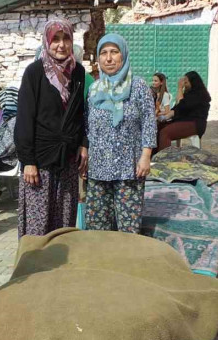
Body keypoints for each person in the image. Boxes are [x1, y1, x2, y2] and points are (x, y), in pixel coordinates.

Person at [15, 18, 86, 237]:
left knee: (64, 225)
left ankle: (61, 270)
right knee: (38, 227)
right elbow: (25, 117)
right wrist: (28, 161)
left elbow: (80, 114)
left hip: (68, 160)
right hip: (40, 162)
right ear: (47, 41)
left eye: (66, 38)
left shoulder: (78, 72)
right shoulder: (34, 72)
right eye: (55, 39)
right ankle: (34, 269)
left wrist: (83, 144)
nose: (61, 45)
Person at [85, 34, 157, 233]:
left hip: (129, 166)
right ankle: (100, 263)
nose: (108, 58)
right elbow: (87, 126)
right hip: (98, 167)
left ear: (123, 55)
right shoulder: (93, 89)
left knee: (129, 225)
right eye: (103, 53)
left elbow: (149, 122)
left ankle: (126, 263)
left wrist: (146, 155)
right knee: (97, 225)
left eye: (114, 52)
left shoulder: (138, 86)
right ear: (98, 59)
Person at [156, 71, 211, 152]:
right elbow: (177, 108)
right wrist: (164, 117)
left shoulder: (199, 95)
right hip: (184, 120)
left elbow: (182, 105)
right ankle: (153, 155)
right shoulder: (188, 93)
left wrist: (179, 88)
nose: (184, 84)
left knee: (165, 133)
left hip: (195, 123)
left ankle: (164, 159)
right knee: (158, 127)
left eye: (186, 82)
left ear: (193, 82)